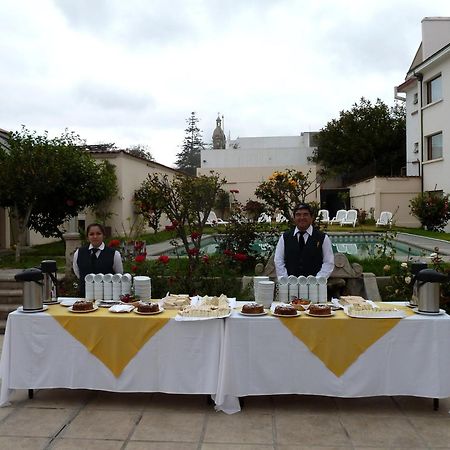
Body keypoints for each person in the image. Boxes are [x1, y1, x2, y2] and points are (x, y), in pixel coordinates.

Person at [274, 203, 334, 278]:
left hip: (315, 286)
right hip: (290, 285)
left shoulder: (322, 238)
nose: (302, 217)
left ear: (312, 217)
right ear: (294, 218)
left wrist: (316, 281)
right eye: (298, 215)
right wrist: (286, 281)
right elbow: (278, 260)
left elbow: (328, 262)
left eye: (305, 214)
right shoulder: (285, 237)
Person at [73, 223, 124, 297]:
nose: (95, 236)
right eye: (91, 234)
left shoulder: (114, 254)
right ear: (87, 237)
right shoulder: (79, 253)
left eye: (98, 233)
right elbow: (78, 272)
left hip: (107, 297)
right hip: (85, 296)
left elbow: (119, 275)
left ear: (103, 235)